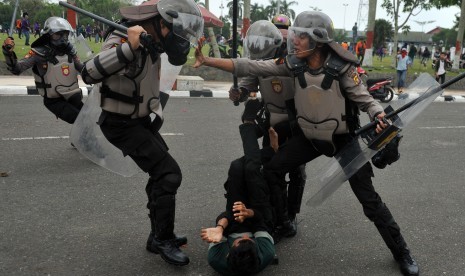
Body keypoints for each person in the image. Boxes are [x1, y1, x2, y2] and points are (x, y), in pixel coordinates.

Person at [194, 10, 419, 276]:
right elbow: (253, 66)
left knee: (369, 200)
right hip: (308, 137)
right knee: (273, 168)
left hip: (341, 139)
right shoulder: (292, 64)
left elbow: (365, 99)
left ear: (317, 40)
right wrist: (208, 60)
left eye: (300, 36)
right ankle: (280, 223)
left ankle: (401, 251)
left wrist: (378, 114)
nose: (293, 40)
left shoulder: (342, 68)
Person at [80, 0, 204, 266]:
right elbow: (88, 73)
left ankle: (156, 235)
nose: (180, 38)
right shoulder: (123, 36)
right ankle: (163, 239)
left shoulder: (154, 40)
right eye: (176, 30)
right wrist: (129, 46)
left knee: (161, 174)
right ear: (161, 23)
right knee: (169, 173)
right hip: (119, 123)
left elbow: (174, 57)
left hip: (138, 122)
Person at [233, 19, 306, 241]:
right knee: (271, 169)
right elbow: (248, 84)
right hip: (272, 121)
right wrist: (240, 93)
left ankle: (290, 215)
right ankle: (277, 214)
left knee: (296, 171)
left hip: (296, 122)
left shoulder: (294, 59)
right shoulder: (259, 56)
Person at [201, 121, 277, 276]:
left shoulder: (216, 259)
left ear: (228, 253)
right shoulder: (266, 253)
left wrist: (220, 228)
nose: (244, 236)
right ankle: (264, 143)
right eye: (249, 240)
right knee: (251, 169)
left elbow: (224, 214)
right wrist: (248, 213)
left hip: (232, 223)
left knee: (236, 166)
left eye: (239, 241)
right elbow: (262, 221)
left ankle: (264, 145)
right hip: (259, 219)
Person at [2, 17, 84, 124]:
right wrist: (8, 53)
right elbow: (17, 69)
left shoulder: (70, 51)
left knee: (91, 117)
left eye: (65, 34)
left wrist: (98, 67)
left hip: (73, 95)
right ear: (48, 35)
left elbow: (82, 69)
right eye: (58, 34)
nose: (62, 38)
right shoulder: (39, 53)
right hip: (54, 100)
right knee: (81, 120)